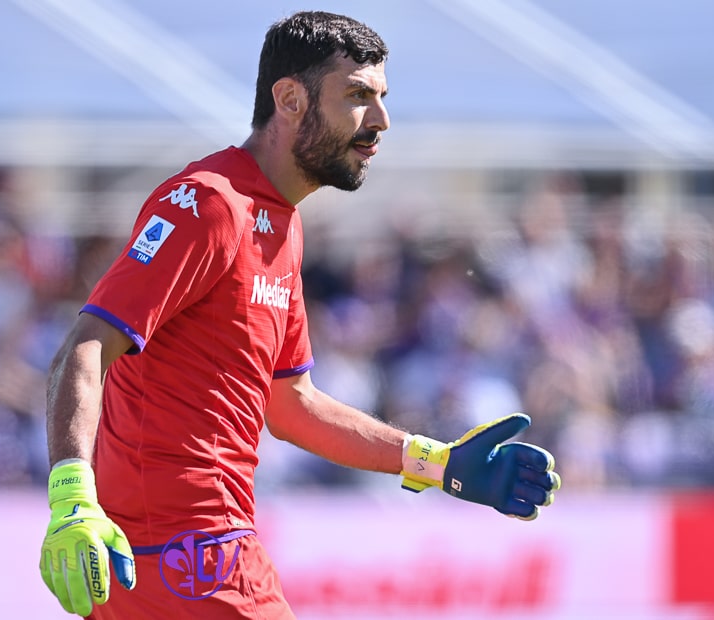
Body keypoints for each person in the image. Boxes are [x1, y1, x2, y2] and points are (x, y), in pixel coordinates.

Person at [38, 10, 561, 619]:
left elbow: (291, 407)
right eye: (358, 96)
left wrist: (436, 462)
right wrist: (72, 494)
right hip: (195, 562)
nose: (381, 121)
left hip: (174, 561)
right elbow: (87, 343)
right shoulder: (211, 204)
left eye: (382, 98)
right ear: (288, 98)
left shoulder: (282, 225)